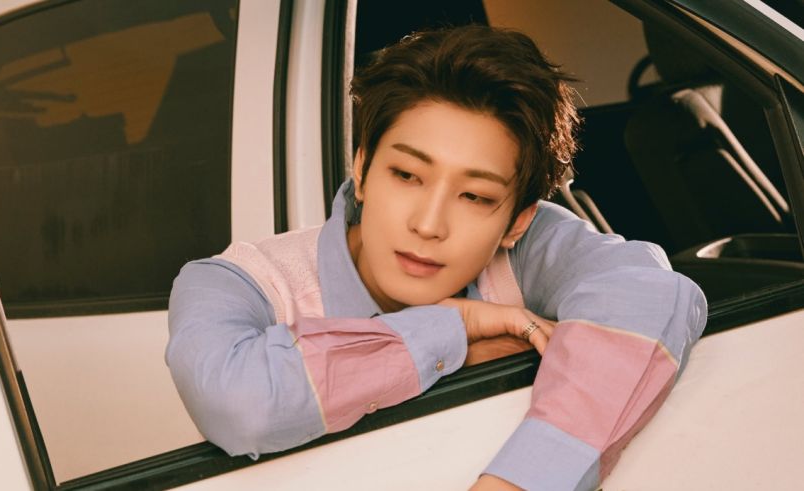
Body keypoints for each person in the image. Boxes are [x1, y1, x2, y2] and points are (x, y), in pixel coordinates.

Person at [166, 25, 707, 491]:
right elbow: (239, 402)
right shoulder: (239, 283)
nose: (428, 224)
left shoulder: (525, 251)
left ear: (517, 220)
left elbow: (654, 294)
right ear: (362, 166)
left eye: (475, 196)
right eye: (406, 175)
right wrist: (453, 331)